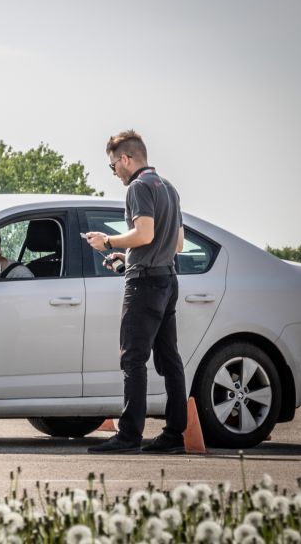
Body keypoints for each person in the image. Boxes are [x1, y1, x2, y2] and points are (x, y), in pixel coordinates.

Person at [84, 130, 186, 454]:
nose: (114, 173)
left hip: (144, 283)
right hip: (167, 279)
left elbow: (144, 233)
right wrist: (125, 256)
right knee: (170, 359)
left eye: (113, 166)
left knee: (133, 359)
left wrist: (109, 242)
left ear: (126, 159)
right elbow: (177, 243)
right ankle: (174, 436)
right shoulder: (168, 188)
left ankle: (129, 436)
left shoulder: (139, 187)